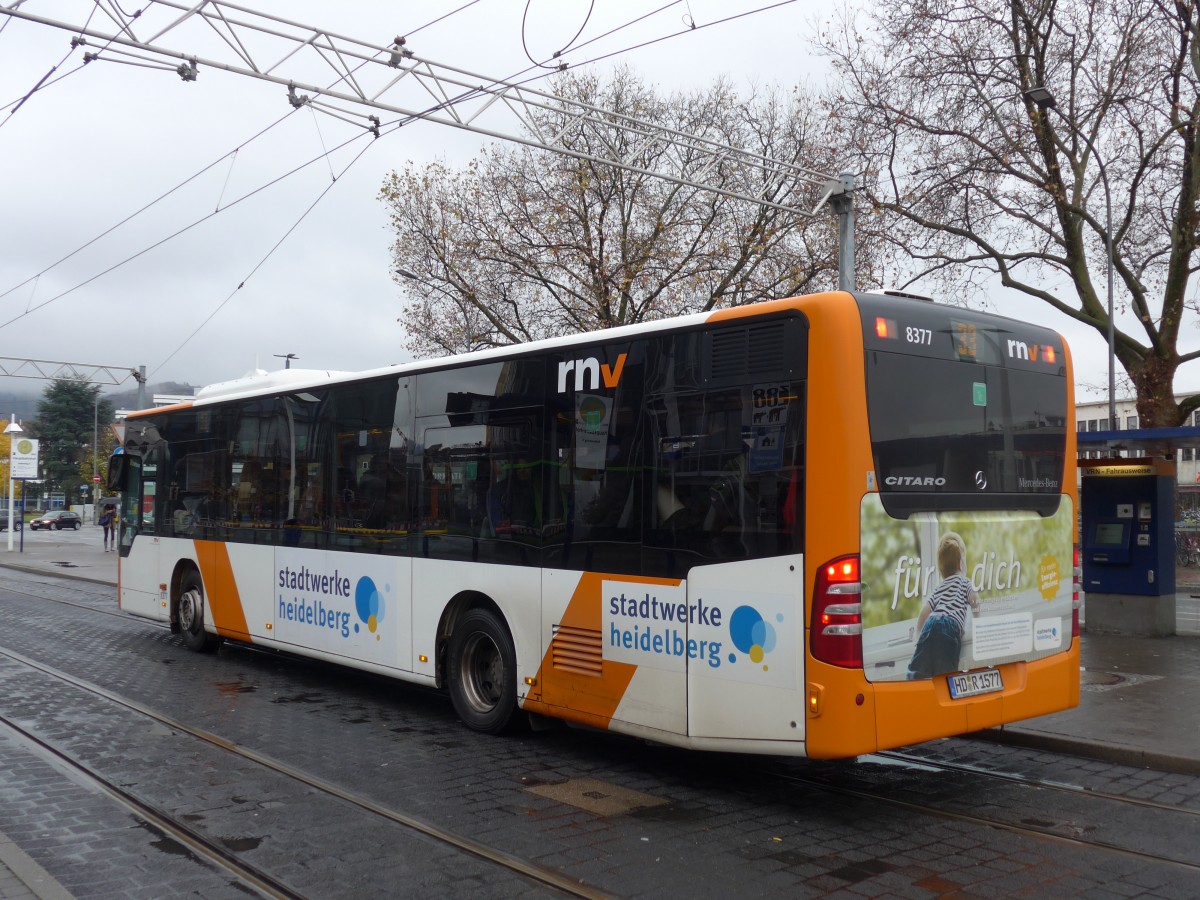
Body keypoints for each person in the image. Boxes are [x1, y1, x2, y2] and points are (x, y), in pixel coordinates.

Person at [907, 531, 980, 679]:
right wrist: (978, 622)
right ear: (961, 564)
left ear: (941, 571)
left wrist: (917, 636)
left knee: (918, 672)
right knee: (944, 677)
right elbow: (974, 600)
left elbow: (923, 613)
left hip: (931, 623)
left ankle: (914, 687)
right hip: (950, 627)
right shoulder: (964, 582)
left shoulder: (939, 588)